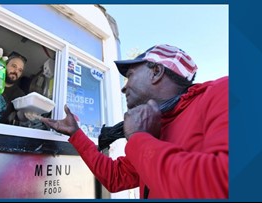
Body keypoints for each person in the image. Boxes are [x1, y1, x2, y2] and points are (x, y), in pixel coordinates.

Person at [41, 44, 228, 199]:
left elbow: (222, 186)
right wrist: (76, 134)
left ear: (156, 72)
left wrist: (139, 138)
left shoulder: (222, 93)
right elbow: (114, 177)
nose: (124, 88)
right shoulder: (157, 125)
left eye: (129, 76)